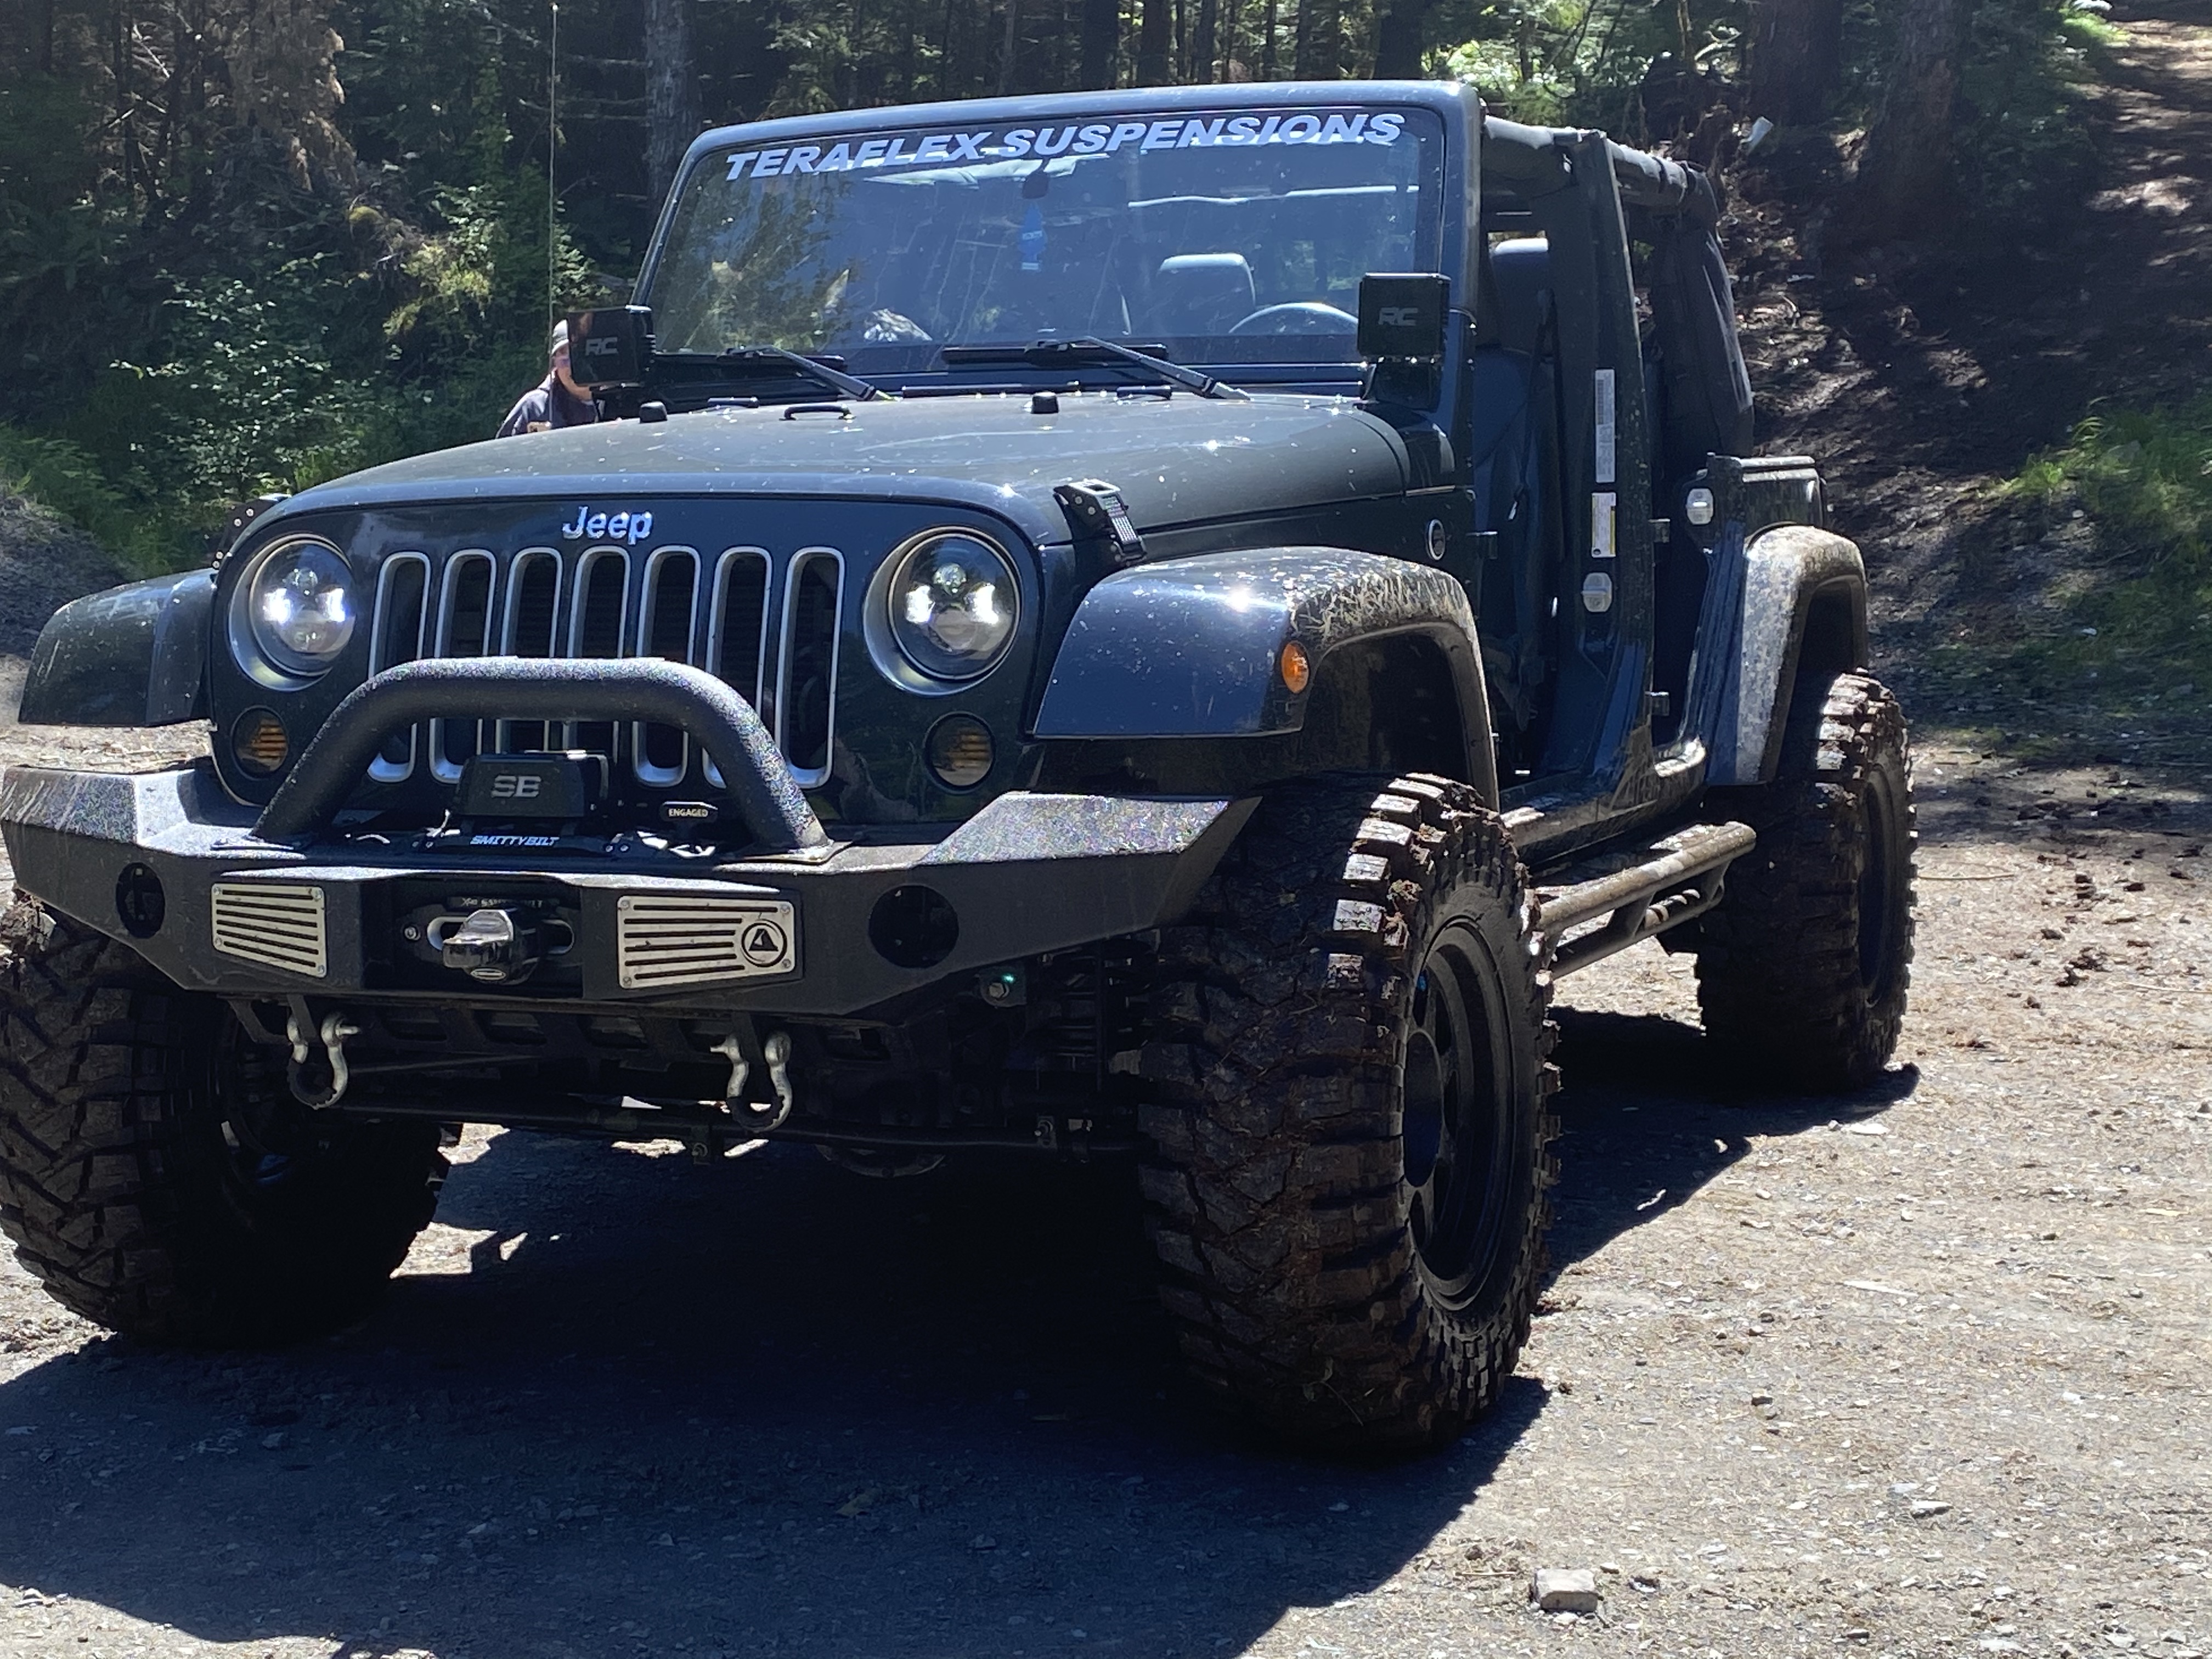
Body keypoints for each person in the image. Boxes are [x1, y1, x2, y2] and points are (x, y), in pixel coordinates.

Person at [496, 320, 601, 437]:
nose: (573, 365)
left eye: (581, 354)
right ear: (554, 361)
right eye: (564, 355)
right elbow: (502, 447)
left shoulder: (615, 402)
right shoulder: (533, 407)